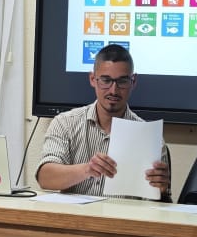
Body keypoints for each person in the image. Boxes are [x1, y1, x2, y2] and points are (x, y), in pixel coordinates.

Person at [34, 44, 169, 197]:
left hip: (122, 213)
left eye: (122, 81)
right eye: (106, 80)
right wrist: (87, 169)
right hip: (77, 213)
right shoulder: (65, 123)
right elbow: (45, 178)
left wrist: (162, 190)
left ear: (133, 81)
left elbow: (161, 204)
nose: (113, 90)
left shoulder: (150, 137)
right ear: (93, 79)